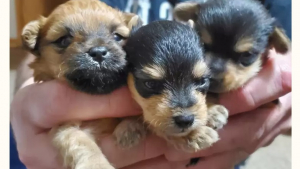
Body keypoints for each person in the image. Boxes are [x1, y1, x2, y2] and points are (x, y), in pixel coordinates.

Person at [10, 0, 291, 169]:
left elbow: (288, 54)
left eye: (118, 37)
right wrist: (25, 91)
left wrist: (286, 89)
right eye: (63, 41)